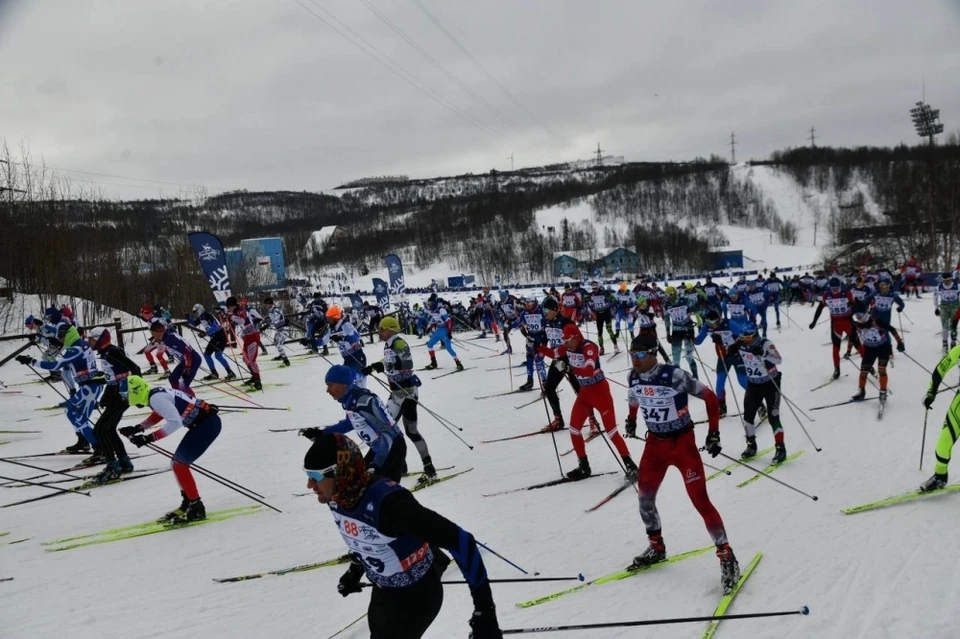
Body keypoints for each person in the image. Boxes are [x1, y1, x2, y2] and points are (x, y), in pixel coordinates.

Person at [303, 433, 501, 639]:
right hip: (383, 595)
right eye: (307, 475)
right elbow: (365, 536)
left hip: (416, 598)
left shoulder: (390, 505)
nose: (309, 485)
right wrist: (356, 569)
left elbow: (461, 541)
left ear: (340, 472)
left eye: (316, 476)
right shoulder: (337, 497)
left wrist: (485, 612)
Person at [623, 333, 740, 593]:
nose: (635, 360)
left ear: (653, 354)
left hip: (682, 444)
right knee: (644, 499)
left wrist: (713, 433)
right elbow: (634, 399)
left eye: (640, 355)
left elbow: (709, 397)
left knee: (700, 500)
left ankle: (727, 555)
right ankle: (657, 547)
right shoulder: (633, 377)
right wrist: (631, 420)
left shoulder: (673, 375)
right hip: (655, 445)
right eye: (632, 354)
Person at [538, 323, 637, 480]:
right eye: (563, 340)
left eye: (568, 339)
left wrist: (570, 369)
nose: (565, 343)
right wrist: (537, 346)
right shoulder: (567, 348)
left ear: (576, 337)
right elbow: (552, 353)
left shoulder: (589, 347)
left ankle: (631, 465)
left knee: (611, 431)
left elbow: (589, 370)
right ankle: (584, 466)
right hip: (585, 393)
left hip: (600, 393)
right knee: (574, 429)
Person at [118, 375, 222, 523]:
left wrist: (148, 438)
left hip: (206, 426)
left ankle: (197, 507)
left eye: (124, 395)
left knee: (179, 465)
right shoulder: (154, 395)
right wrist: (139, 428)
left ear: (135, 392)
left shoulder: (155, 398)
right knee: (176, 464)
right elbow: (160, 413)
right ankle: (189, 502)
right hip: (204, 424)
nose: (124, 399)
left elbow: (175, 422)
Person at [364, 316, 438, 485]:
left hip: (408, 393)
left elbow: (407, 363)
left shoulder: (399, 343)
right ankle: (399, 465)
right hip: (395, 394)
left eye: (381, 329)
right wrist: (375, 366)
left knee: (411, 431)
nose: (379, 331)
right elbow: (388, 360)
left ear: (389, 329)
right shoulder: (388, 344)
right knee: (386, 429)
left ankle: (430, 469)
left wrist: (385, 367)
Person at [300, 365, 407, 481]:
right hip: (378, 447)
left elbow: (387, 432)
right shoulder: (350, 400)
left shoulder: (363, 401)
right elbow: (349, 423)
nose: (327, 390)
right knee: (361, 482)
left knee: (383, 492)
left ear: (343, 384)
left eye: (330, 385)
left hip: (391, 448)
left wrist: (377, 464)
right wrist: (321, 433)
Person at [15, 322, 104, 459]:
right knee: (71, 412)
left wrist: (32, 361)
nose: (60, 340)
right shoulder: (81, 344)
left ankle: (99, 448)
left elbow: (55, 364)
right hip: (88, 386)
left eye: (61, 337)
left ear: (68, 335)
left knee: (79, 418)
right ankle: (83, 441)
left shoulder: (77, 348)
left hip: (90, 388)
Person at [726, 322, 787, 463]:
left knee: (773, 416)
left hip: (771, 383)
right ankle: (751, 445)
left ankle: (780, 448)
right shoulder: (740, 343)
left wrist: (764, 354)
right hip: (753, 385)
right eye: (743, 337)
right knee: (748, 416)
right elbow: (731, 348)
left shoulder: (765, 344)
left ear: (755, 334)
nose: (746, 340)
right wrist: (729, 349)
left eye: (749, 337)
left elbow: (779, 360)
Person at [87, 327, 141, 483]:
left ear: (100, 339)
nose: (90, 342)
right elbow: (112, 378)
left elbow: (135, 369)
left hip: (122, 396)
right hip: (115, 395)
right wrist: (105, 397)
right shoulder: (105, 353)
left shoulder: (113, 352)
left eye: (92, 339)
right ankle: (124, 462)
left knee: (100, 430)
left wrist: (136, 392)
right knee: (107, 430)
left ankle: (113, 466)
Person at [695, 309, 748, 417]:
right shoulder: (706, 327)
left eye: (714, 322)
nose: (712, 325)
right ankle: (722, 407)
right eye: (709, 322)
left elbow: (744, 336)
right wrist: (690, 336)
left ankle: (760, 405)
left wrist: (734, 345)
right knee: (719, 384)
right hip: (723, 357)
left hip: (737, 355)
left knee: (742, 381)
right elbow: (699, 341)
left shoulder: (729, 324)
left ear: (719, 319)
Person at [809, 276, 861, 379]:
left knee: (857, 344)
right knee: (836, 347)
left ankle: (868, 367)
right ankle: (837, 369)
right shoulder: (826, 295)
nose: (835, 291)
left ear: (840, 286)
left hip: (848, 322)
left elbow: (856, 305)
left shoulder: (847, 293)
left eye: (836, 288)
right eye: (833, 289)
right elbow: (819, 308)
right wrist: (814, 321)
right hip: (835, 324)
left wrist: (859, 318)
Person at [850, 310, 904, 404]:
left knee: (881, 370)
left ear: (865, 315)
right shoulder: (856, 324)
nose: (859, 318)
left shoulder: (875, 320)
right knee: (863, 370)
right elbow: (852, 337)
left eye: (861, 316)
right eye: (857, 316)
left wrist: (899, 342)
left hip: (883, 347)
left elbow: (891, 329)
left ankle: (883, 392)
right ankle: (861, 391)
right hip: (870, 349)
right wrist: (849, 350)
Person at [149, 319, 202, 397]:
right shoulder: (166, 336)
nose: (152, 335)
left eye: (152, 333)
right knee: (173, 378)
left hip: (192, 359)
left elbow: (187, 352)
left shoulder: (170, 339)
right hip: (186, 360)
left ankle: (194, 403)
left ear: (158, 332)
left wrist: (187, 369)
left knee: (183, 385)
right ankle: (180, 398)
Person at [187, 303, 236, 381]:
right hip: (214, 338)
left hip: (220, 336)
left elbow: (216, 327)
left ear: (200, 310)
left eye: (196, 312)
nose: (195, 314)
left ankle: (231, 373)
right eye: (194, 313)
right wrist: (188, 318)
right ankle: (214, 373)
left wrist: (205, 333)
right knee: (206, 355)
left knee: (218, 355)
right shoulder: (201, 317)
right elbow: (194, 324)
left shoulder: (207, 315)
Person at [225, 296, 264, 390]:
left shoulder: (240, 310)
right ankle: (254, 377)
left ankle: (258, 381)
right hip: (247, 337)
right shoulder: (236, 311)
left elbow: (242, 320)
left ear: (232, 305)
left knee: (252, 360)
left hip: (253, 336)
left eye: (228, 306)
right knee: (245, 358)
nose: (228, 308)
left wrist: (231, 317)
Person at [326, 305, 368, 387]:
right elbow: (323, 340)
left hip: (357, 358)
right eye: (327, 319)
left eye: (329, 319)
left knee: (359, 387)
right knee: (347, 385)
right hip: (347, 360)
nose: (328, 321)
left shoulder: (346, 325)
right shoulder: (331, 329)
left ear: (335, 317)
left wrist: (342, 337)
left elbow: (356, 337)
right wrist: (311, 341)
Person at [663, 286, 698, 379]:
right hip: (676, 331)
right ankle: (677, 378)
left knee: (689, 356)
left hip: (688, 329)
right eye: (666, 295)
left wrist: (693, 309)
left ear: (674, 293)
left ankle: (695, 377)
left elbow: (696, 307)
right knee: (676, 358)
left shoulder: (684, 300)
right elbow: (666, 319)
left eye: (670, 295)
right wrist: (667, 333)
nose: (668, 297)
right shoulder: (666, 304)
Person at [423, 294, 464, 372]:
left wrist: (449, 332)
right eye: (429, 304)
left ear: (434, 303)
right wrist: (430, 327)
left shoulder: (441, 309)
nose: (429, 305)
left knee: (448, 348)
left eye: (430, 303)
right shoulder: (432, 310)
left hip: (445, 330)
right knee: (429, 345)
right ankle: (433, 363)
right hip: (439, 330)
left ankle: (458, 363)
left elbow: (449, 321)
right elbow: (435, 320)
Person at [934, 272, 960, 354]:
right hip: (944, 308)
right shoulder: (939, 287)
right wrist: (936, 308)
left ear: (951, 279)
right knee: (945, 327)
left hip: (954, 308)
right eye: (945, 280)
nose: (946, 282)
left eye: (948, 280)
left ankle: (953, 343)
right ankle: (945, 345)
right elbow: (935, 297)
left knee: (953, 326)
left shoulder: (957, 286)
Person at [261, 297, 290, 366]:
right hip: (279, 329)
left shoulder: (276, 310)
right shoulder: (271, 310)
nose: (265, 306)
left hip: (283, 329)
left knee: (278, 344)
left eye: (266, 304)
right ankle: (281, 355)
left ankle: (286, 360)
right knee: (276, 342)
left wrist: (267, 326)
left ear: (269, 303)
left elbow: (276, 320)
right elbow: (272, 320)